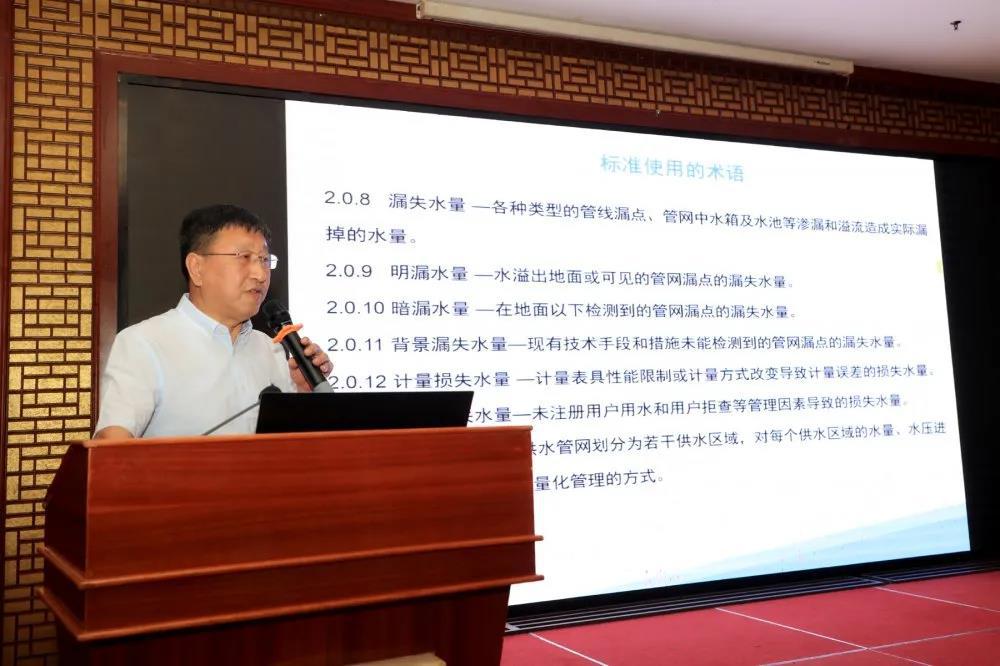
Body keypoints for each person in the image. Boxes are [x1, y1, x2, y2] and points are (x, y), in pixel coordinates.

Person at [93, 204, 331, 439]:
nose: (260, 274)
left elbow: (290, 449)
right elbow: (111, 445)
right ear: (196, 268)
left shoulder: (271, 349)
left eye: (264, 260)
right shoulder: (143, 343)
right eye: (244, 257)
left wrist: (301, 396)